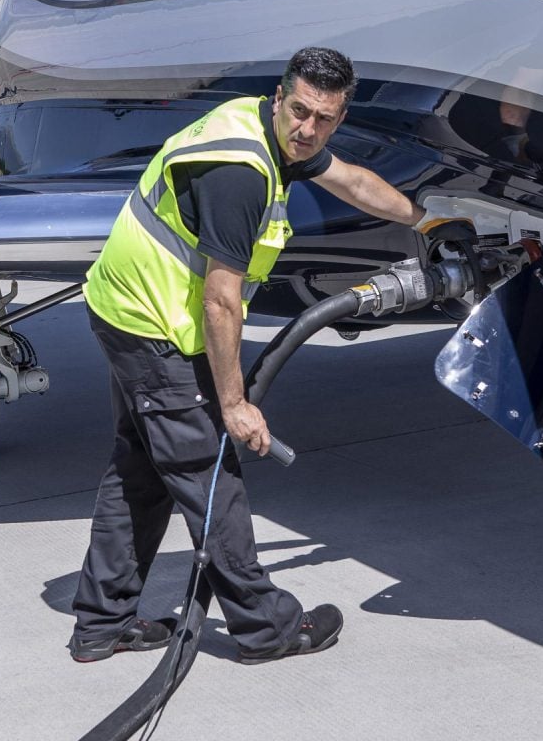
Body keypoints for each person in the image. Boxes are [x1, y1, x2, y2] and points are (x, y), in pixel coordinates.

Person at [69, 47, 471, 664]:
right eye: (301, 111)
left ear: (338, 117)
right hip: (154, 325)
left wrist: (426, 222)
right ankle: (266, 628)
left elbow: (351, 181)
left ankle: (101, 623)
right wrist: (234, 404)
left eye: (324, 119)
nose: (308, 129)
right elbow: (221, 300)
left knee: (140, 473)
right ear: (280, 98)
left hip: (127, 307)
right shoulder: (241, 173)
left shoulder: (269, 129)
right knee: (208, 473)